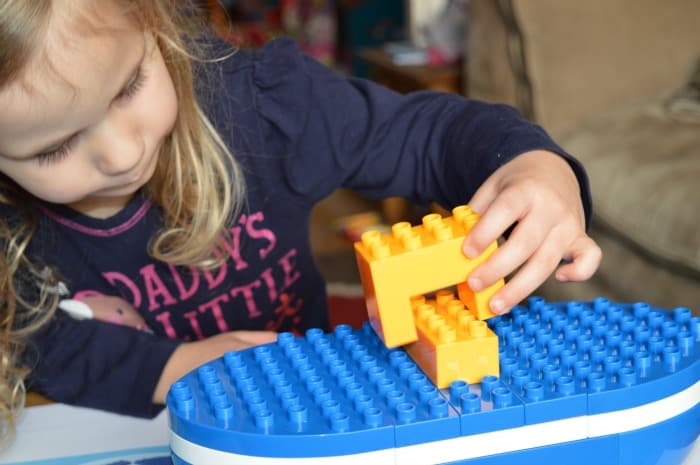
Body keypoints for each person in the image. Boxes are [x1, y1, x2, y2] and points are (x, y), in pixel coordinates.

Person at [0, 0, 601, 444]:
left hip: (326, 421)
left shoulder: (267, 107)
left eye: (130, 85)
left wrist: (533, 165)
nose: (122, 153)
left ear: (154, 26)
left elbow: (426, 136)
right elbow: (34, 341)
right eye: (53, 149)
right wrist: (167, 369)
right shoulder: (12, 221)